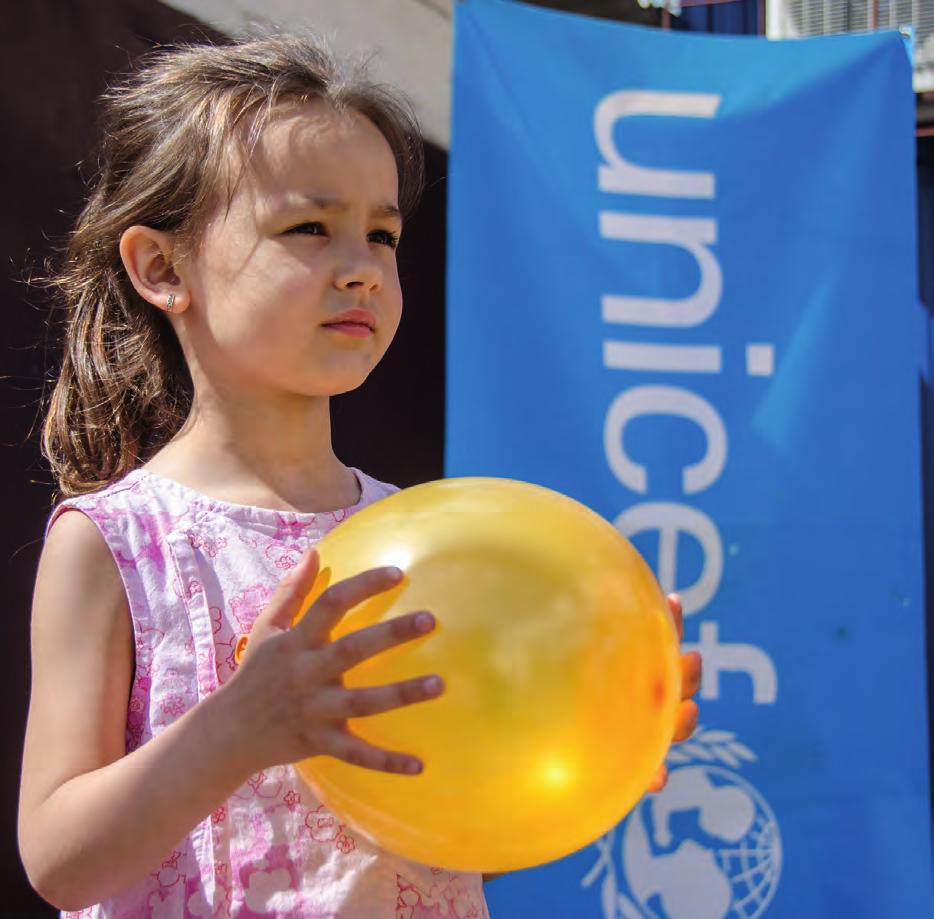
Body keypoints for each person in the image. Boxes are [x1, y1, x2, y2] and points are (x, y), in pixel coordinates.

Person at [17, 34, 702, 918]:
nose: (363, 268)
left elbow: (453, 814)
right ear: (161, 266)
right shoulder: (115, 541)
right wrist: (236, 727)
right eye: (310, 226)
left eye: (382, 234)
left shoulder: (431, 539)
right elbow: (58, 858)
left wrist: (592, 735)